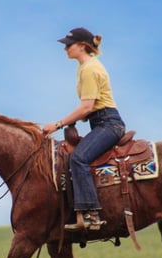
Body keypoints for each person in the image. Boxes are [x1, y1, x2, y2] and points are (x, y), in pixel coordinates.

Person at [43, 27, 126, 231]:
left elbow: (87, 107)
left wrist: (58, 124)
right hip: (101, 121)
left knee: (78, 158)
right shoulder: (84, 67)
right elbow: (88, 109)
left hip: (108, 123)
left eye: (68, 45)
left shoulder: (89, 69)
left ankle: (90, 215)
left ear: (82, 46)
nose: (65, 49)